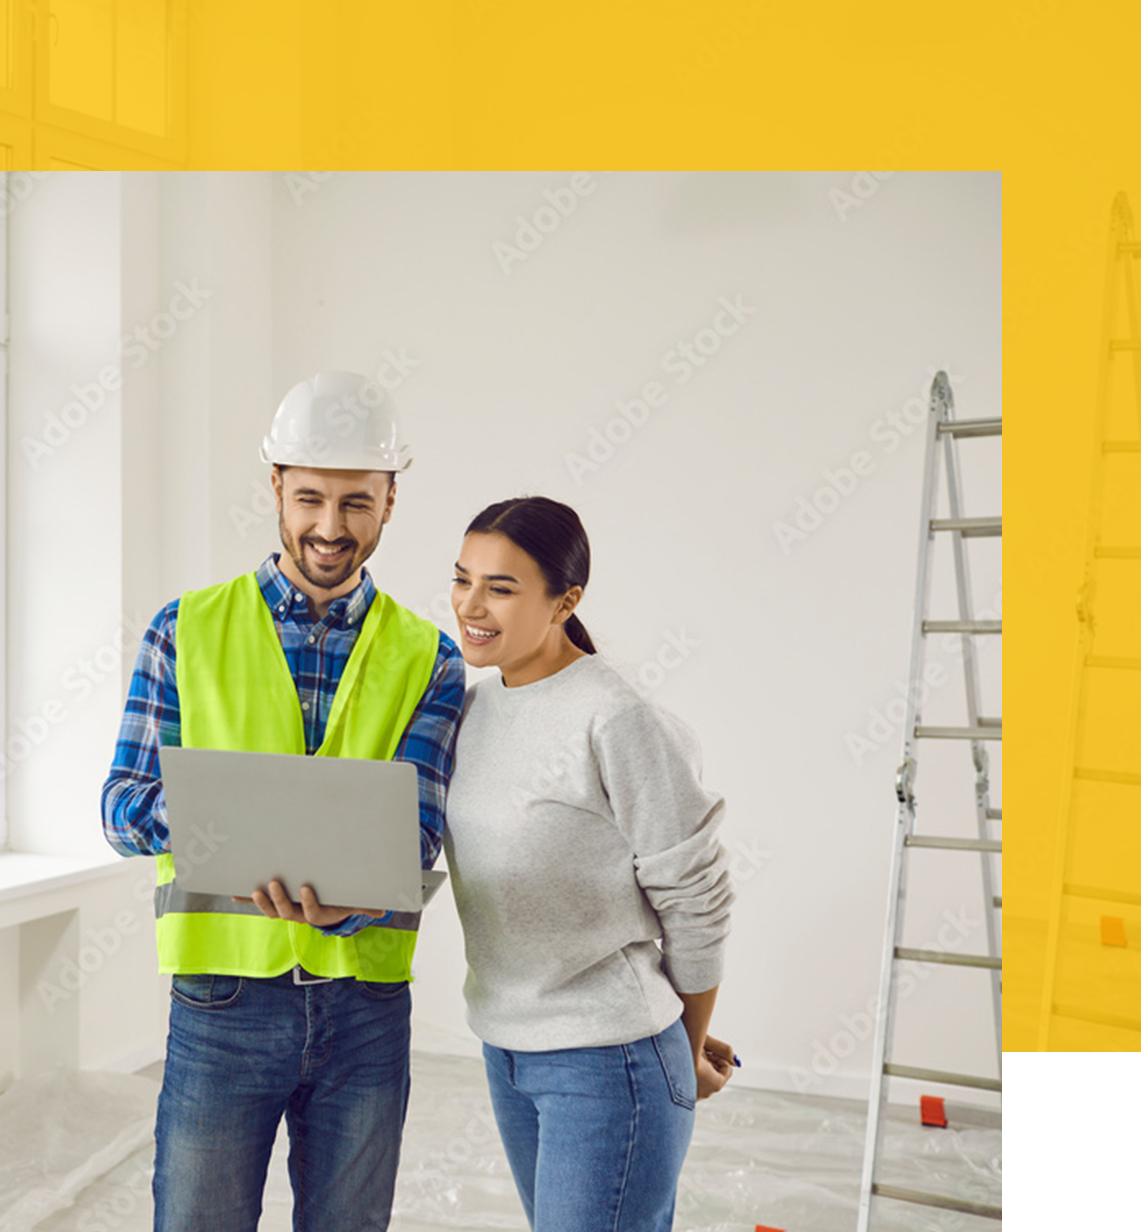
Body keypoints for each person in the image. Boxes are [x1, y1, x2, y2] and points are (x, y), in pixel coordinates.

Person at [101, 370, 465, 1232]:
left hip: (365, 1006)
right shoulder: (182, 629)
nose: (329, 528)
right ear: (274, 487)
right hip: (222, 999)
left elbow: (415, 833)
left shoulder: (432, 658)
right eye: (308, 498)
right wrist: (226, 824)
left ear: (390, 499)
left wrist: (346, 889)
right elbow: (121, 808)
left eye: (355, 503)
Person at [444, 495, 735, 1232]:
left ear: (564, 600)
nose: (472, 605)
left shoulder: (614, 714)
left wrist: (686, 1045)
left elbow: (698, 897)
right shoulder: (472, 711)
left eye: (501, 587)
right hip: (507, 1048)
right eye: (462, 578)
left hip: (608, 1064)